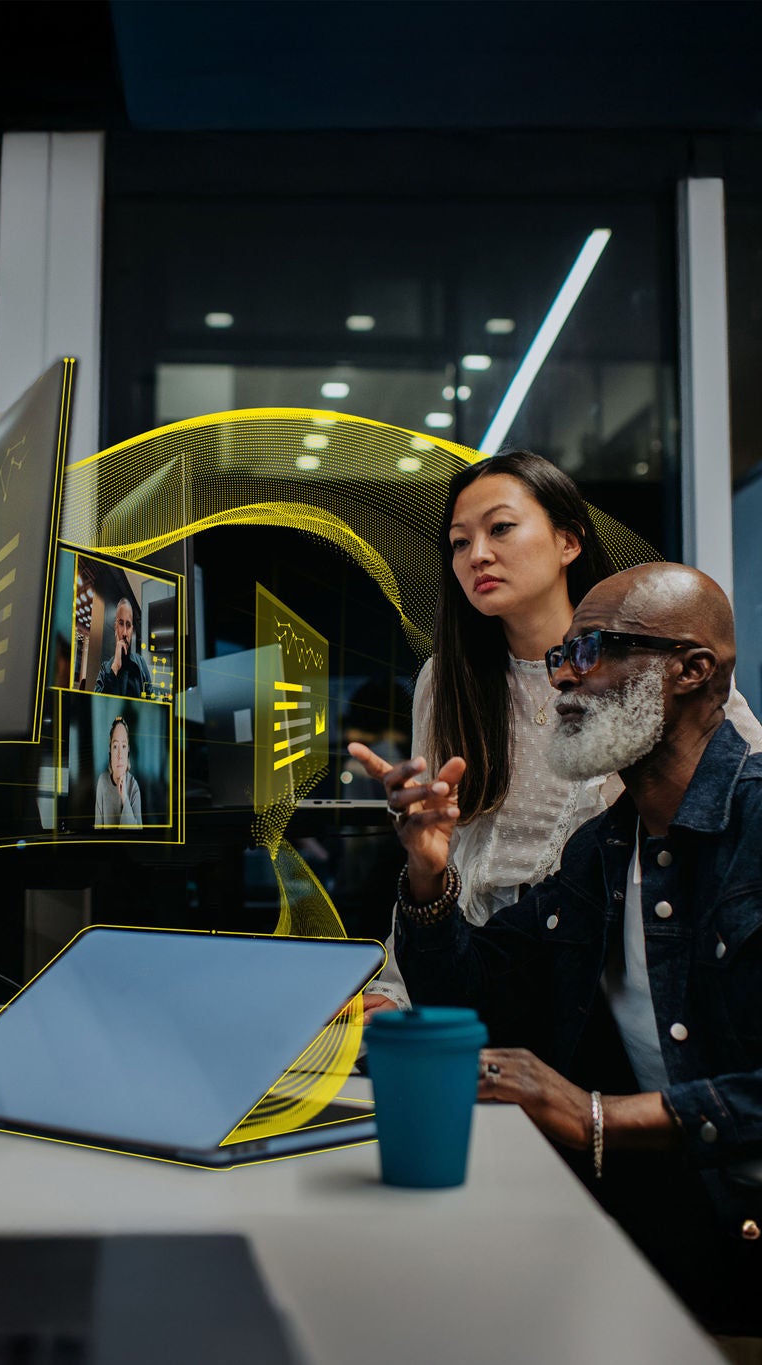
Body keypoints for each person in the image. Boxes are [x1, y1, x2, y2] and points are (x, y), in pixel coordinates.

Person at [359, 563, 761, 1334]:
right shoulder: (602, 851)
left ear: (692, 669)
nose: (565, 681)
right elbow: (476, 997)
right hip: (663, 1232)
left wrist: (598, 1114)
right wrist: (430, 866)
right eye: (560, 658)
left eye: (596, 650)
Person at [351, 451, 760, 1013]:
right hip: (481, 957)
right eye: (459, 542)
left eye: (500, 528)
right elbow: (441, 850)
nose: (478, 555)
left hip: (614, 955)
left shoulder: (644, 666)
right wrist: (400, 986)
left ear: (569, 542)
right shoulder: (447, 679)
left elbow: (743, 784)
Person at [92, 596, 152, 698]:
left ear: (132, 629)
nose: (124, 632)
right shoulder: (105, 668)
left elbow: (151, 703)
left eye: (128, 625)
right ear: (115, 628)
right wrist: (115, 668)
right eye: (121, 623)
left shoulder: (141, 664)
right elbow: (99, 707)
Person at [94, 714, 143, 827]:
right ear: (110, 751)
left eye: (124, 746)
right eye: (115, 746)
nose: (120, 755)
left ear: (128, 752)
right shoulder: (102, 781)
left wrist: (124, 798)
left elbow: (136, 838)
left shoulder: (134, 788)